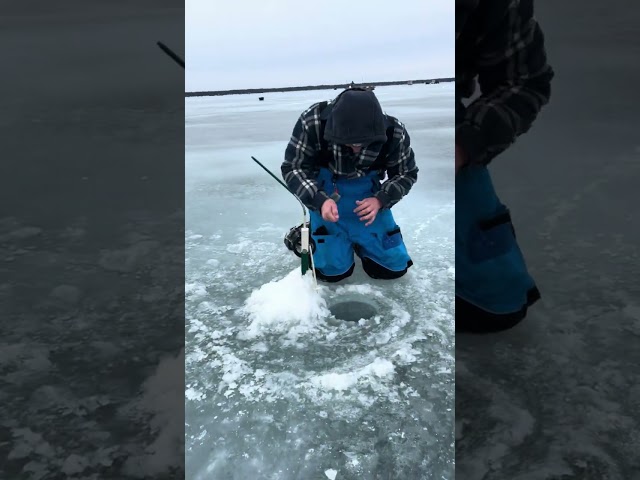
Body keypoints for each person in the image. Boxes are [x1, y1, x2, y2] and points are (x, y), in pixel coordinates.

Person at [455, 0, 554, 333]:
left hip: (440, 139)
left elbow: (524, 82)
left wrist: (462, 147)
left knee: (497, 306)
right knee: (332, 260)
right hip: (334, 139)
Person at [281, 87, 418, 282]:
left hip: (369, 201)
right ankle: (300, 236)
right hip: (325, 197)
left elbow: (407, 173)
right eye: (350, 142)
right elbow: (293, 168)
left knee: (393, 269)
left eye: (364, 142)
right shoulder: (313, 122)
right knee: (332, 273)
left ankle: (358, 244)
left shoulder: (394, 132)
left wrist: (381, 199)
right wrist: (319, 200)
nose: (356, 148)